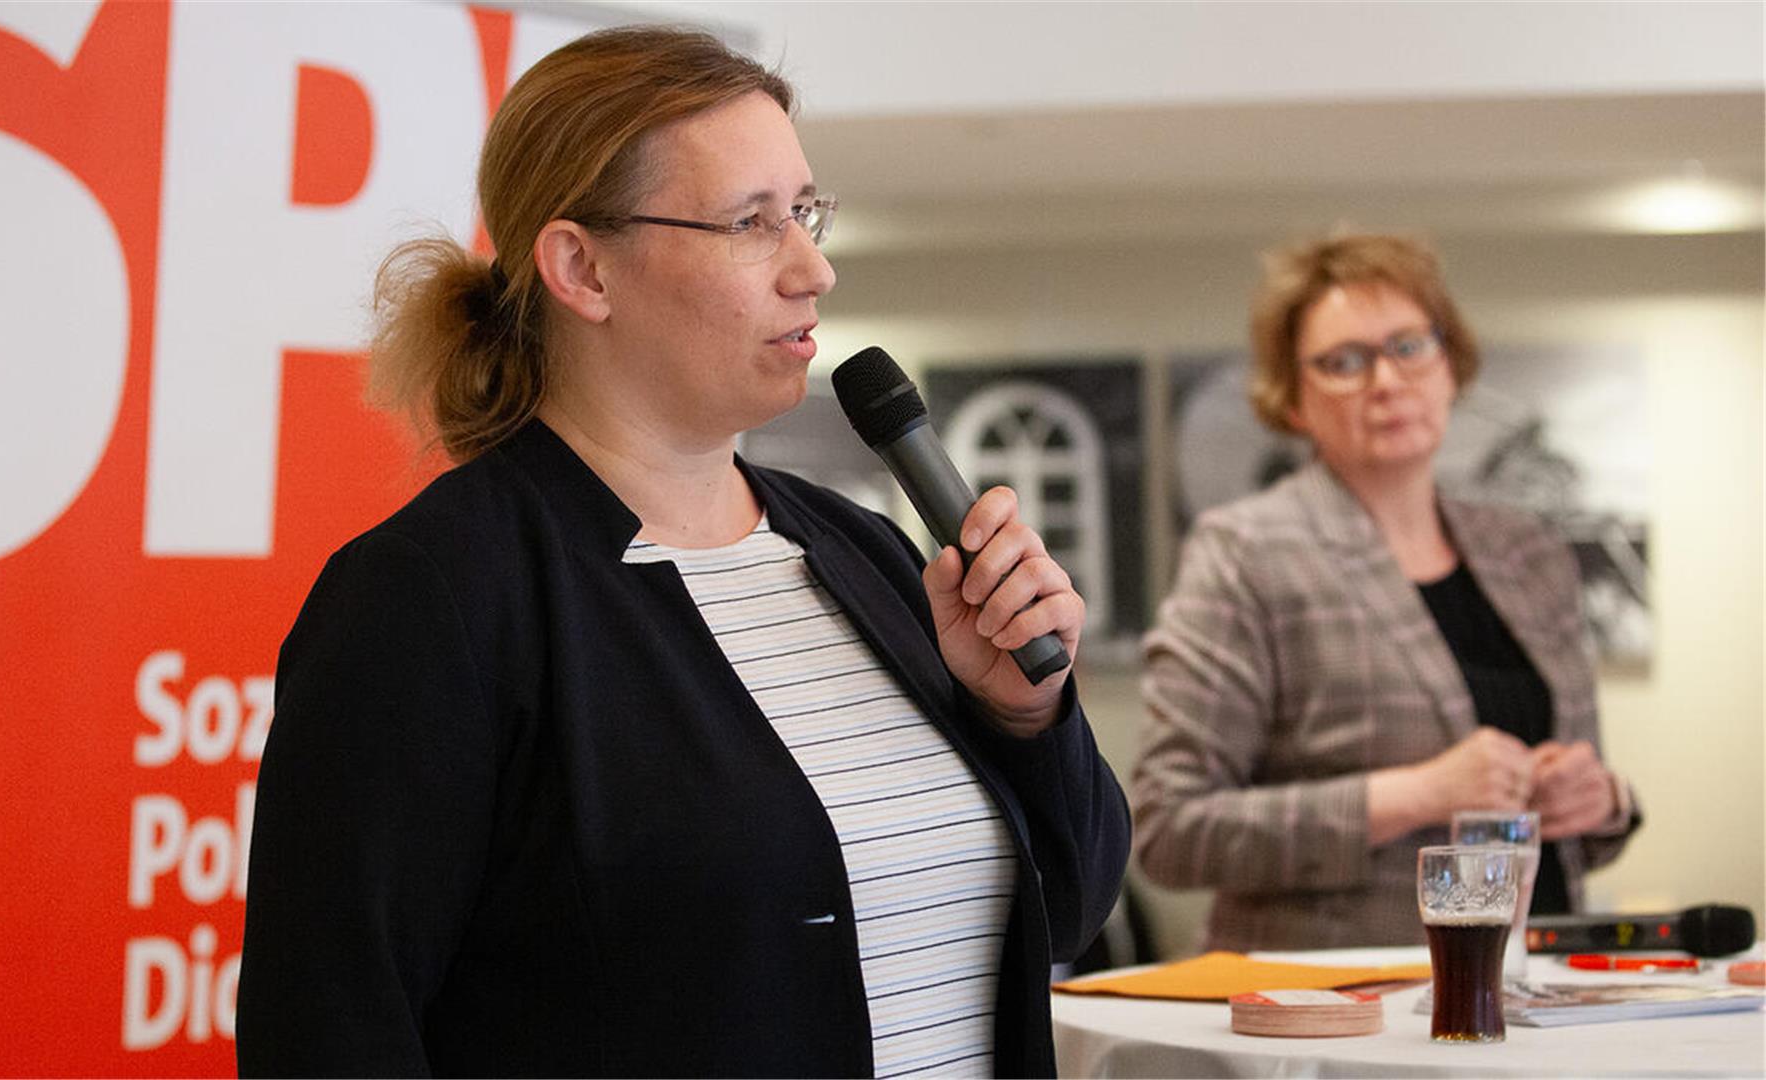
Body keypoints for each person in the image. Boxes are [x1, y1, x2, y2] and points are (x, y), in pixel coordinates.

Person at [235, 27, 1130, 1078]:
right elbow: (331, 1028)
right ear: (582, 268)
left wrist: (1025, 717)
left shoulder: (866, 554)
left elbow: (1062, 913)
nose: (814, 267)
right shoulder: (435, 597)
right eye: (752, 223)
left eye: (804, 212)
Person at [1130, 232, 1638, 953]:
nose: (1386, 381)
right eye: (1343, 362)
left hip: (1533, 993)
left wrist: (1601, 801)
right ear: (1293, 399)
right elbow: (1169, 830)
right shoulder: (1245, 552)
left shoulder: (1531, 552)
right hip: (1340, 1020)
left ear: (1449, 364)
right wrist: (1418, 795)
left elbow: (1578, 812)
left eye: (1409, 346)